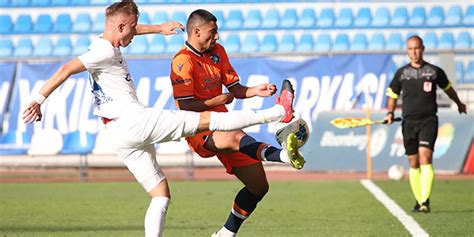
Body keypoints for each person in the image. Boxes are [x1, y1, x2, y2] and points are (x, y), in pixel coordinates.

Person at [22, 2, 296, 237]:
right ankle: (278, 114)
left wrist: (157, 28)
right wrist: (38, 99)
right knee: (210, 121)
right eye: (133, 27)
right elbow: (67, 68)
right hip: (134, 119)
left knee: (161, 194)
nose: (134, 32)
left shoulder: (104, 42)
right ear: (121, 27)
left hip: (118, 135)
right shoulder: (104, 52)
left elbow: (129, 29)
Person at [170, 9, 305, 237]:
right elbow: (185, 105)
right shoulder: (182, 61)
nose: (218, 37)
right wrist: (218, 99)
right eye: (213, 32)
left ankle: (225, 234)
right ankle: (283, 154)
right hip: (198, 127)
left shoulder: (218, 52)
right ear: (196, 31)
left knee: (258, 187)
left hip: (224, 121)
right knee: (234, 136)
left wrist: (254, 91)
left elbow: (235, 89)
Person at [384, 35, 467, 213]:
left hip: (428, 121)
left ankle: (424, 202)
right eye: (410, 49)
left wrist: (459, 103)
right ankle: (419, 199)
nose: (414, 52)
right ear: (407, 51)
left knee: (425, 159)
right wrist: (390, 113)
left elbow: (448, 88)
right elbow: (392, 95)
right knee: (413, 163)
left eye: (417, 48)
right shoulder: (401, 73)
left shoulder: (434, 71)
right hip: (409, 123)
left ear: (423, 48)